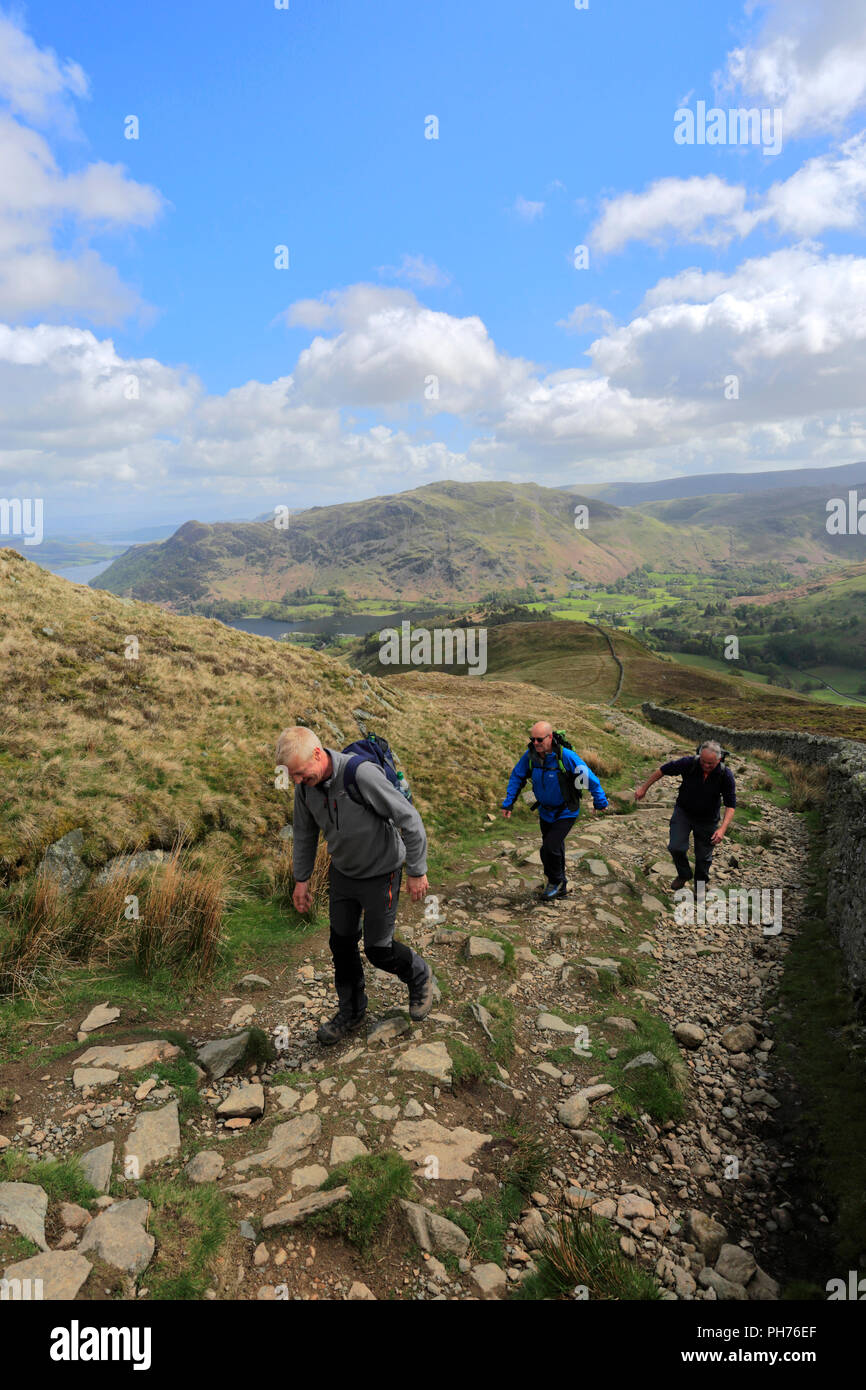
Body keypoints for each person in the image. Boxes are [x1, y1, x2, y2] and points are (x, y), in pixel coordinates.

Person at [275, 726, 434, 1045]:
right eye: (291, 776)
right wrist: (301, 880)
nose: (296, 782)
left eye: (301, 774)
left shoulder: (360, 776)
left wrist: (417, 870)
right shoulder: (305, 788)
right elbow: (304, 835)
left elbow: (410, 820)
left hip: (382, 872)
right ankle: (352, 1011)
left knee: (378, 949)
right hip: (344, 874)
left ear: (318, 755)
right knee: (341, 944)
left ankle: (419, 974)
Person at [501, 720, 609, 900]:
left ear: (550, 737)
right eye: (532, 739)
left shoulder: (566, 756)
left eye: (539, 739)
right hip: (545, 811)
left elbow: (588, 777)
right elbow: (517, 776)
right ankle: (561, 886)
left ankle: (555, 880)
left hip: (566, 811)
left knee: (548, 849)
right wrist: (509, 802)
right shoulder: (530, 757)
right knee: (555, 848)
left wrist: (600, 801)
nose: (535, 743)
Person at [634, 740, 736, 889]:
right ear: (699, 756)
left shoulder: (725, 774)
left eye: (710, 764)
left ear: (719, 760)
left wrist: (722, 829)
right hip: (684, 813)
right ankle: (684, 874)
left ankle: (700, 888)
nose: (706, 766)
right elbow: (662, 770)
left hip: (708, 820)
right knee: (676, 847)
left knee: (703, 858)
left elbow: (730, 805)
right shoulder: (689, 763)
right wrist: (644, 788)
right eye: (703, 762)